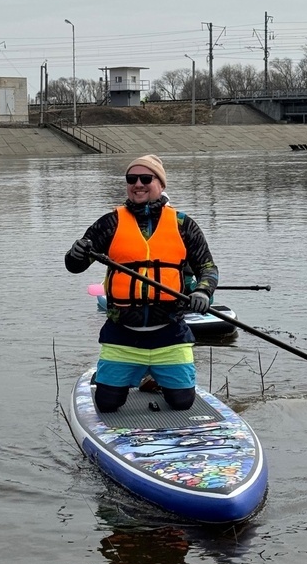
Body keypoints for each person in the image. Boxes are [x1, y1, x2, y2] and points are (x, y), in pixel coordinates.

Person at [65, 154, 219, 413]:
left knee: (182, 403)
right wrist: (76, 253)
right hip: (122, 332)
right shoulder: (110, 223)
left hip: (170, 332)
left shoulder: (183, 225)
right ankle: (126, 375)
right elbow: (74, 265)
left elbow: (208, 268)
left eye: (146, 178)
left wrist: (203, 291)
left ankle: (155, 377)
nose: (138, 184)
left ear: (160, 184)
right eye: (131, 179)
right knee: (107, 405)